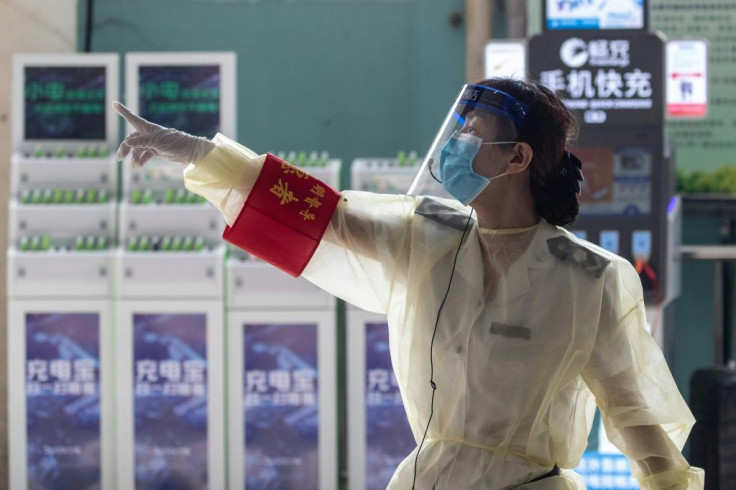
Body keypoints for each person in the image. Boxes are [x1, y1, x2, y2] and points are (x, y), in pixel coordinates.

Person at [114, 77, 704, 489]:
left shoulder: (589, 281)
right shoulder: (428, 237)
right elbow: (324, 214)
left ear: (517, 157)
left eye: (472, 132)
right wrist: (195, 151)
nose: (454, 144)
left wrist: (669, 484)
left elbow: (631, 414)